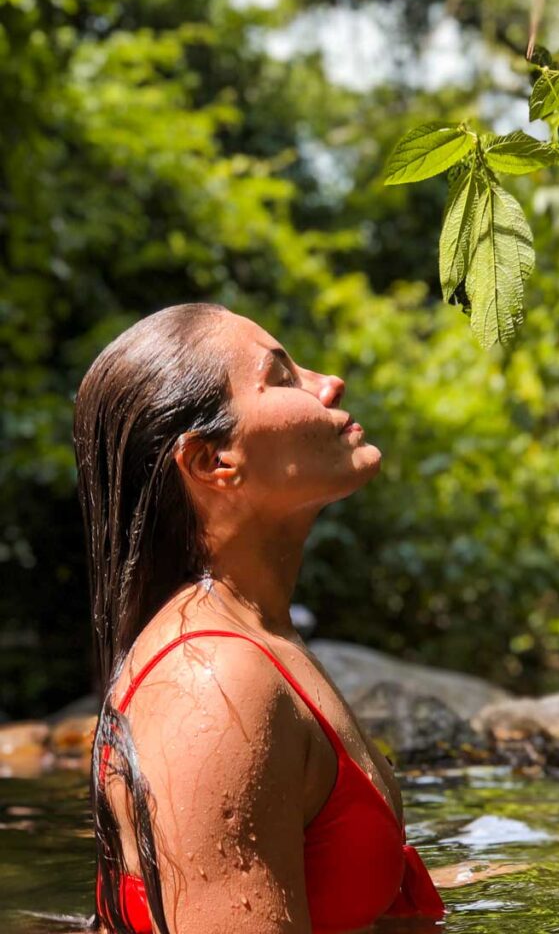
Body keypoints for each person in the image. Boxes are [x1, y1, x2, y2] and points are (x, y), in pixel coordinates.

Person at [72, 302, 448, 934]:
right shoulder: (213, 684)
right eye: (281, 376)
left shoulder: (262, 641)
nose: (330, 383)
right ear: (213, 462)